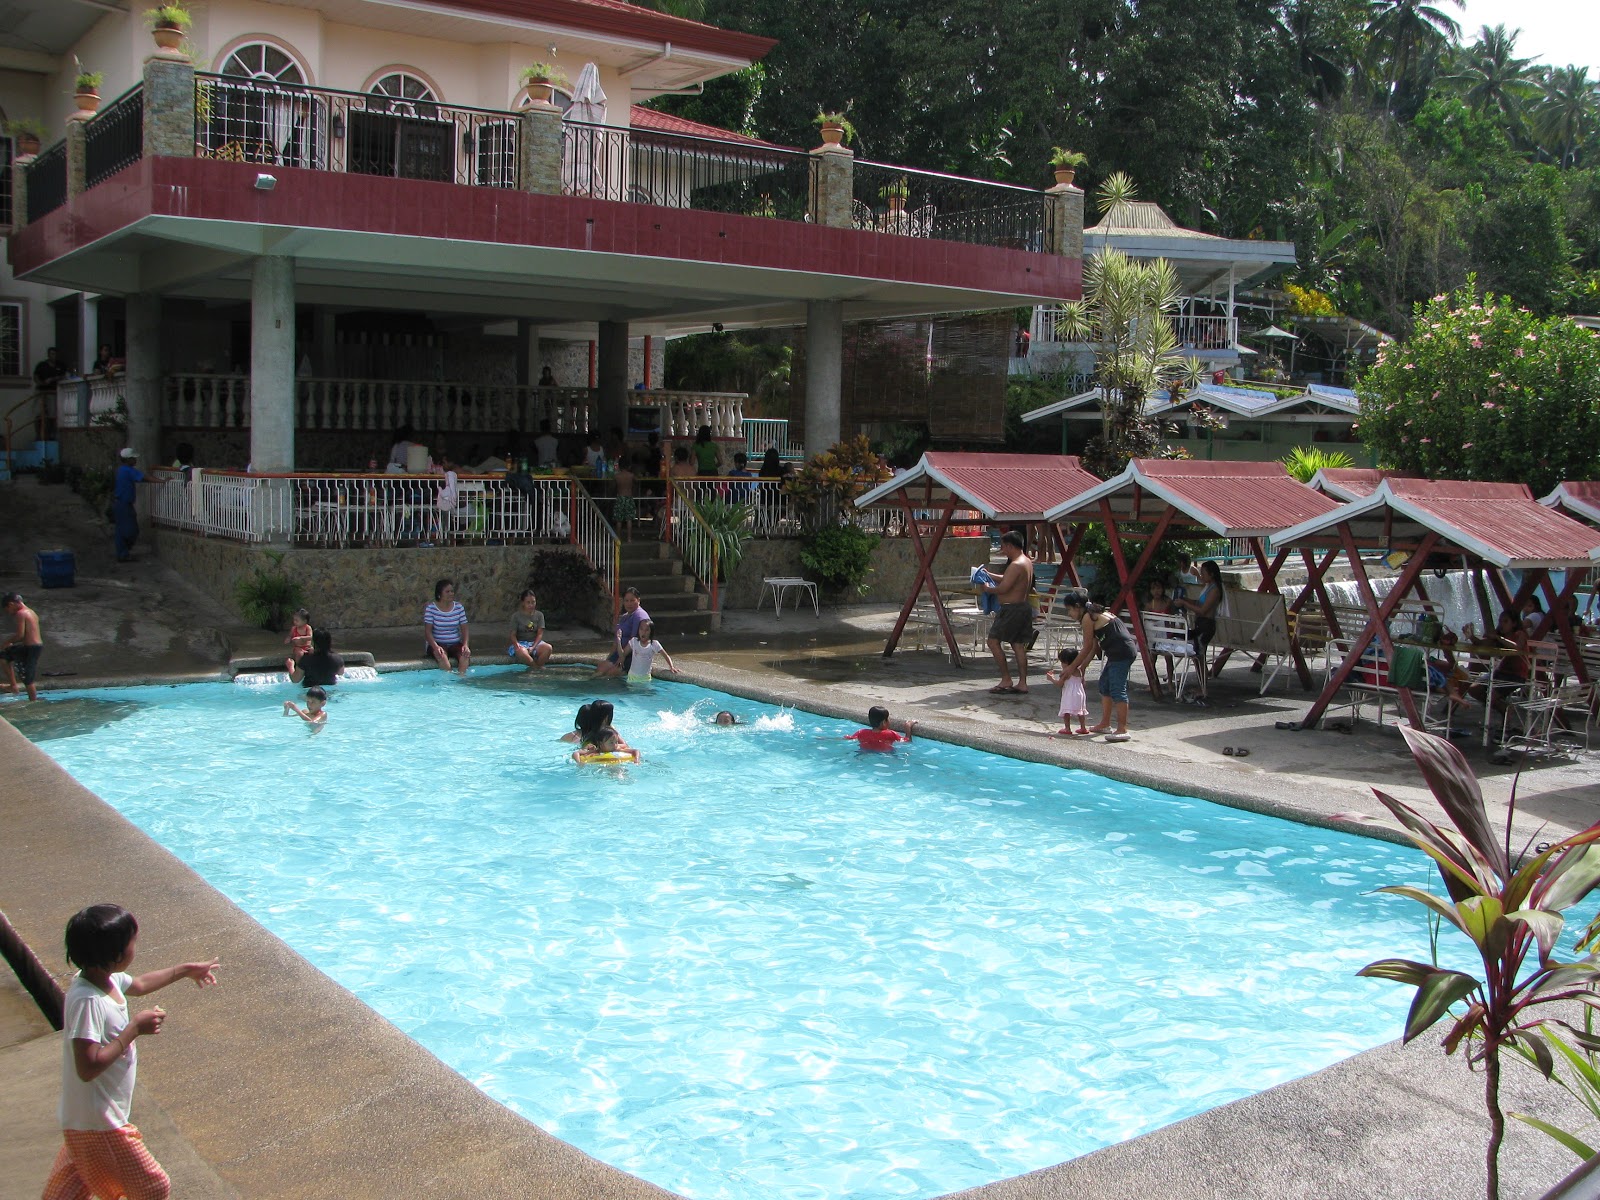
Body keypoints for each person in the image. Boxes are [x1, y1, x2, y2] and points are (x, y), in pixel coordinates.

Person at [43, 904, 218, 1200]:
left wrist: (185, 970)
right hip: (102, 1123)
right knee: (153, 1187)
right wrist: (133, 1029)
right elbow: (88, 1066)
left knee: (68, 1191)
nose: (136, 946)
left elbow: (139, 984)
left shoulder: (103, 980)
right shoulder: (88, 1001)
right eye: (133, 941)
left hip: (85, 1120)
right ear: (115, 952)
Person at [1059, 587, 1138, 742]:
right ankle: (1105, 724)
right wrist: (1082, 667)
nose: (1069, 614)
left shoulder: (1088, 617)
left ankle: (1122, 729)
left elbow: (1087, 646)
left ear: (1077, 606)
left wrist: (1071, 668)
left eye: (1069, 610)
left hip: (1122, 653)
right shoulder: (1092, 614)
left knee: (1117, 690)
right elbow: (1094, 647)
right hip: (1117, 653)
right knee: (1104, 686)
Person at [981, 530, 1035, 695]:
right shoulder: (1026, 561)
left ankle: (1006, 679)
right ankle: (1022, 683)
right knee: (1018, 645)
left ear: (1010, 546)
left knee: (993, 642)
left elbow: (1004, 588)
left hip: (1011, 609)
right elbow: (1008, 578)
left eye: (1003, 547)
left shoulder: (1016, 564)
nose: (1002, 550)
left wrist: (988, 589)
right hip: (1022, 607)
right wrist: (989, 574)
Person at [1173, 560, 1224, 705]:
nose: (1201, 575)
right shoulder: (1207, 587)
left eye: (1203, 573)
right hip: (1200, 623)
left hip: (1206, 624)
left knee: (1200, 656)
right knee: (1197, 657)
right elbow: (1198, 603)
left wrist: (1184, 604)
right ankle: (1201, 685)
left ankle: (1204, 688)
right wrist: (1186, 599)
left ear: (1211, 574)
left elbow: (1202, 610)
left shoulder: (1215, 589)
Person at [596, 587, 650, 677]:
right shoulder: (626, 616)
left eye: (632, 600)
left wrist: (622, 657)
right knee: (601, 668)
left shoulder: (639, 616)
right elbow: (616, 640)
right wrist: (609, 657)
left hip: (633, 655)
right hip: (621, 651)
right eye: (626, 601)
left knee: (610, 674)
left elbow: (634, 641)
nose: (629, 604)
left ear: (638, 600)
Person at [423, 579, 471, 675]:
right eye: (447, 592)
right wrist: (436, 647)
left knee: (465, 656)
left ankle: (461, 678)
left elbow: (464, 629)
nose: (451, 594)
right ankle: (448, 680)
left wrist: (466, 645)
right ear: (439, 594)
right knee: (442, 656)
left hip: (455, 643)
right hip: (438, 643)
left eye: (452, 591)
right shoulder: (431, 609)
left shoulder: (459, 607)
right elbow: (427, 632)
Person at [2, 591, 43, 702]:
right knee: (3, 655)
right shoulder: (31, 612)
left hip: (32, 648)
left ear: (11, 604)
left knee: (28, 677)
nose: (9, 613)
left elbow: (20, 635)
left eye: (7, 610)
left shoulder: (21, 614)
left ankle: (33, 701)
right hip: (29, 647)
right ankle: (13, 686)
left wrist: (7, 642)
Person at [1047, 648, 1091, 736]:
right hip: (1080, 694)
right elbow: (1083, 682)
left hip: (1069, 694)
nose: (1061, 665)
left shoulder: (1066, 672)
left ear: (1066, 662)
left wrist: (1051, 679)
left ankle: (1067, 728)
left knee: (1066, 711)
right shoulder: (1079, 671)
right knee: (1081, 711)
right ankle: (1083, 727)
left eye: (1062, 662)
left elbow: (1059, 684)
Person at [559, 700, 632, 751]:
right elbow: (584, 749)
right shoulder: (593, 732)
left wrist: (613, 746)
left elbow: (625, 745)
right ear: (607, 717)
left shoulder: (609, 730)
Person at [1145, 578, 1178, 686]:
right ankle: (1153, 683)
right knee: (1152, 658)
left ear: (1163, 589)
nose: (1156, 591)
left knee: (1168, 658)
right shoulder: (1149, 604)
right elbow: (1147, 620)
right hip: (1154, 634)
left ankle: (1170, 683)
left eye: (1158, 588)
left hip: (1166, 634)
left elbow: (1173, 618)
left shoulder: (1168, 602)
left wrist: (1172, 633)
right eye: (1153, 589)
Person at [112, 448, 143, 563]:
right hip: (124, 504)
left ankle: (123, 553)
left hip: (121, 503)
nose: (135, 460)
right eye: (133, 458)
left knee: (121, 531)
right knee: (131, 530)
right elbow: (143, 477)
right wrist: (161, 481)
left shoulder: (122, 470)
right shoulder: (128, 470)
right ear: (128, 459)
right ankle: (124, 553)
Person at [509, 588, 553, 669]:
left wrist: (533, 647)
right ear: (523, 603)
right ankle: (536, 668)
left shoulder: (539, 615)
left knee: (548, 648)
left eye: (533, 602)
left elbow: (540, 634)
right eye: (528, 602)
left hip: (535, 643)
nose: (531, 605)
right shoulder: (516, 616)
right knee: (521, 651)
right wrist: (517, 645)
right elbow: (513, 635)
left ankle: (536, 667)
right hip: (521, 643)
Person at [844, 705, 914, 751]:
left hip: (865, 752)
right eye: (888, 718)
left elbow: (848, 738)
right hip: (886, 754)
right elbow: (907, 741)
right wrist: (908, 727)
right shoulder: (891, 734)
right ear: (884, 722)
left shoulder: (861, 733)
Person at [574, 726, 640, 764]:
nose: (615, 744)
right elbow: (576, 753)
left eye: (616, 742)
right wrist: (579, 762)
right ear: (601, 743)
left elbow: (636, 751)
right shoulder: (596, 751)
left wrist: (636, 759)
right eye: (611, 742)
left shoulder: (617, 749)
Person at [612, 460, 638, 541]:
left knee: (619, 520)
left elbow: (613, 486)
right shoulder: (631, 475)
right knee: (629, 519)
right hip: (629, 497)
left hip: (620, 497)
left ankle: (618, 538)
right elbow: (637, 481)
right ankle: (629, 538)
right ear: (628, 466)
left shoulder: (617, 476)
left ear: (619, 466)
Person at [282, 608, 313, 673]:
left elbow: (310, 637)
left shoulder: (308, 628)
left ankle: (312, 667)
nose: (294, 622)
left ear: (304, 621)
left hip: (308, 647)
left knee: (313, 651)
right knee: (299, 654)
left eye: (297, 620)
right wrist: (288, 639)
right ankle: (299, 668)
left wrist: (301, 638)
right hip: (298, 647)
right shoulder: (294, 628)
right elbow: (290, 636)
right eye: (294, 620)